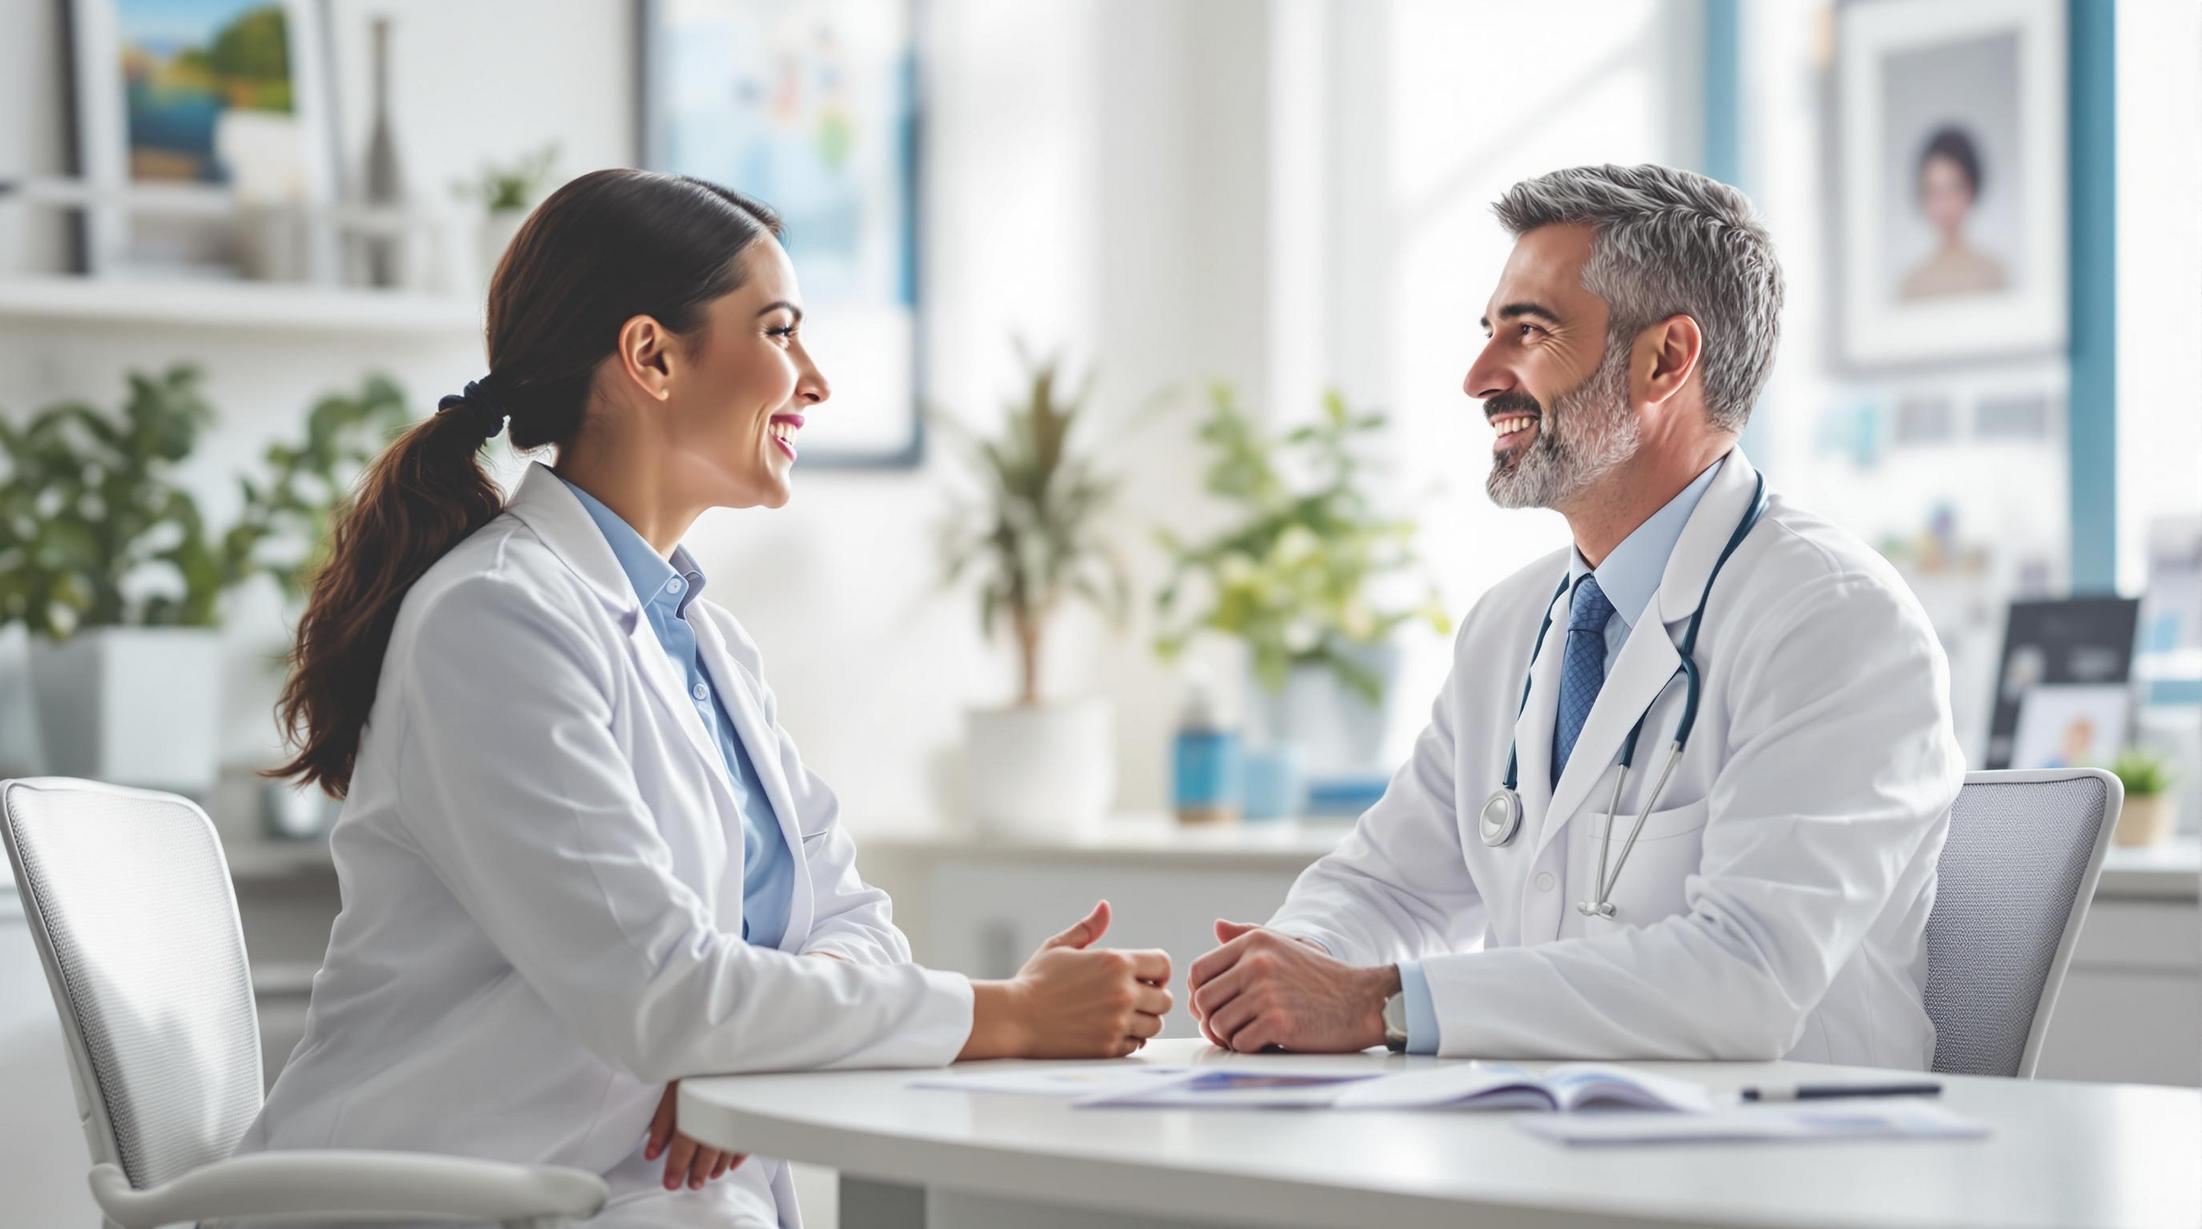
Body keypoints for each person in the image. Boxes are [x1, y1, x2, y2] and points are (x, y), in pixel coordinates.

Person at [234, 169, 1171, 1228]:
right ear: (652, 356)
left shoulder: (705, 640)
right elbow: (665, 996)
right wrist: (1008, 1013)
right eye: (779, 331)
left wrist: (746, 1044)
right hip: (452, 1199)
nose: (812, 381)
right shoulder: (493, 622)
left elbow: (852, 923)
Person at [1187, 163, 1964, 1068]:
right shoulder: (1510, 626)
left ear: (1667, 359)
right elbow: (1390, 886)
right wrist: (1298, 965)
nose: (1480, 375)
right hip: (1550, 1153)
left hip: (1784, 1173)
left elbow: (1745, 978)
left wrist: (1378, 1003)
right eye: (1489, 332)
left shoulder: (1834, 620)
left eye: (1529, 331)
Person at [1899, 125, 2008, 301]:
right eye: (1934, 191)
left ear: (1970, 191)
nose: (1944, 205)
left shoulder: (1994, 274)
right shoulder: (1911, 286)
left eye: (1953, 189)